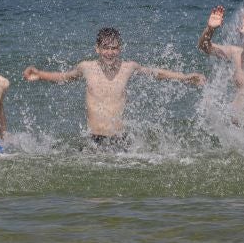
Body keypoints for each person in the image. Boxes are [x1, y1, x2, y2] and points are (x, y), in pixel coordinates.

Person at [23, 27, 206, 150]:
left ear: (120, 49)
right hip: (94, 138)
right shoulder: (86, 67)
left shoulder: (128, 67)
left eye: (114, 48)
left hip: (120, 139)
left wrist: (185, 77)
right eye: (105, 48)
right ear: (97, 49)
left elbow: (156, 73)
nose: (109, 52)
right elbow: (64, 77)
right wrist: (40, 74)